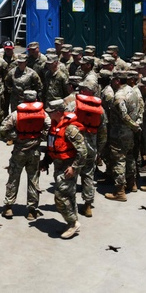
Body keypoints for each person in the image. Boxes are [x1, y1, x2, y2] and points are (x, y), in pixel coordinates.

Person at [0, 89, 49, 220]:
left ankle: (9, 207)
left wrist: (14, 137)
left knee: (13, 177)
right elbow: (49, 128)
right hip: (35, 151)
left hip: (19, 151)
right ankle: (32, 210)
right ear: (36, 99)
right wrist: (40, 137)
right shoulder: (43, 114)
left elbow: (3, 129)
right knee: (33, 179)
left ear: (24, 99)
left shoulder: (16, 114)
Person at [41, 98, 87, 239]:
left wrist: (74, 167)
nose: (48, 114)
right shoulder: (54, 125)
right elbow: (51, 145)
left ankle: (72, 223)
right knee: (69, 194)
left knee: (60, 196)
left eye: (51, 112)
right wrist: (45, 161)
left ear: (59, 112)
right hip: (58, 164)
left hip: (68, 166)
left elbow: (83, 151)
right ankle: (72, 222)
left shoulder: (70, 129)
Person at [104, 70, 142, 201]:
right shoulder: (133, 91)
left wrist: (133, 125)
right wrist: (137, 123)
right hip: (130, 133)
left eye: (113, 80)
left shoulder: (119, 96)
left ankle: (120, 191)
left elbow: (124, 115)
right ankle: (132, 184)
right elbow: (140, 108)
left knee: (119, 160)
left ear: (117, 81)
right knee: (130, 157)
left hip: (119, 133)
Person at [74, 80, 107, 217]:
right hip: (91, 148)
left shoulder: (73, 105)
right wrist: (99, 150)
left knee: (71, 175)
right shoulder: (100, 110)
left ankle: (69, 204)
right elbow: (103, 132)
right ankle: (88, 205)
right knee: (88, 175)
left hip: (74, 147)